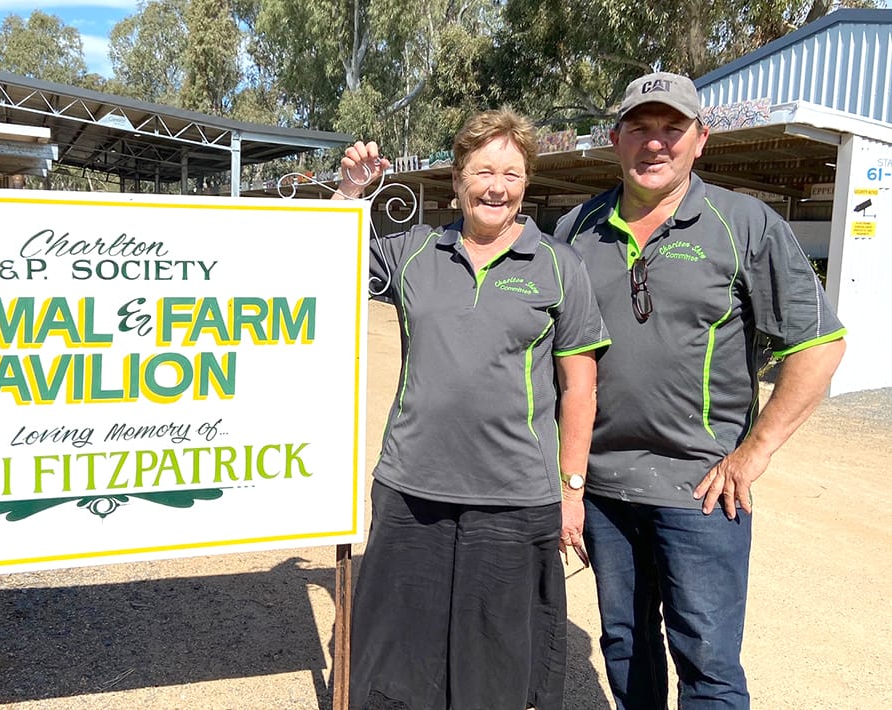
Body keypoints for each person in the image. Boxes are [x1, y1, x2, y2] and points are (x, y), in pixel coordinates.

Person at [554, 71, 846, 709]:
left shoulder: (744, 223)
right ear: (615, 138)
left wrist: (756, 450)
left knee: (708, 661)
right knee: (626, 645)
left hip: (702, 491)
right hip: (604, 490)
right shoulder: (576, 230)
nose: (654, 145)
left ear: (700, 139)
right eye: (640, 129)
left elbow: (820, 343)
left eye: (672, 129)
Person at [334, 109, 610, 710]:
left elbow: (580, 388)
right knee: (402, 654)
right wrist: (352, 188)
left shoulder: (560, 268)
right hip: (412, 488)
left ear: (526, 183)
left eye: (512, 174)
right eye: (483, 171)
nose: (496, 187)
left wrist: (571, 491)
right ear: (457, 178)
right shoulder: (414, 251)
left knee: (497, 661)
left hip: (514, 496)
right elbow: (322, 259)